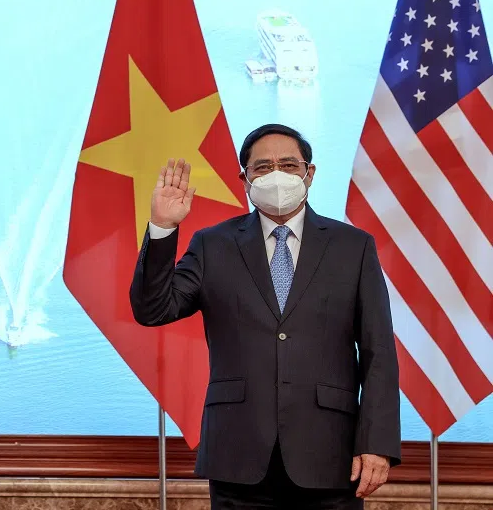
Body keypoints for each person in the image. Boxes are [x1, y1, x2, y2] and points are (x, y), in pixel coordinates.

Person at [130, 124, 401, 509]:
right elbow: (152, 309)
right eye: (263, 167)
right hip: (238, 456)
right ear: (245, 179)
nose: (277, 174)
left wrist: (377, 443)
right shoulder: (212, 244)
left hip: (331, 454)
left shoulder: (353, 247)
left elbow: (379, 354)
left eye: (289, 164)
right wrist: (163, 227)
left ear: (309, 173)